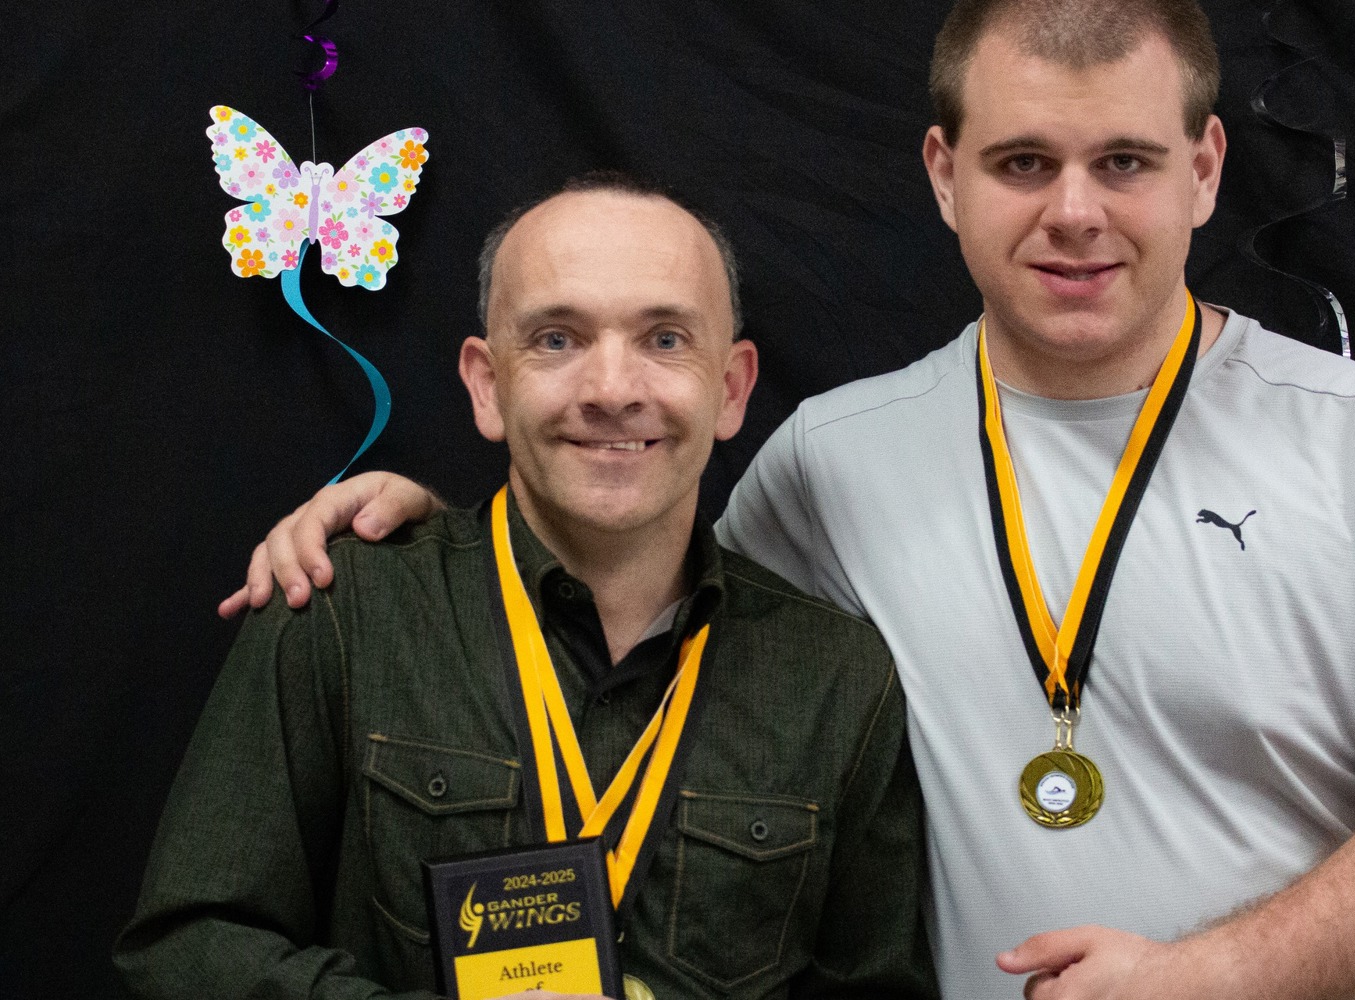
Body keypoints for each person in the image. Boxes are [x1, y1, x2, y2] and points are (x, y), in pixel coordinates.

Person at [222, 2, 1355, 998]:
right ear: (943, 173)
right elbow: (622, 609)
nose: (1076, 212)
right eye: (1024, 161)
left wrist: (1199, 979)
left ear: (1206, 168)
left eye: (1127, 163)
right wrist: (429, 524)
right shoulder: (834, 458)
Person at [117, 173, 937, 1000]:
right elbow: (185, 947)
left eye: (663, 340)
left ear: (730, 389)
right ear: (485, 384)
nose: (612, 391)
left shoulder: (837, 678)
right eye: (556, 339)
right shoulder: (344, 611)